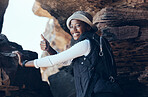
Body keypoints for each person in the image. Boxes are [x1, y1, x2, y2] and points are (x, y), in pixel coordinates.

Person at [13, 11, 122, 97]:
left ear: (88, 27)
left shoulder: (85, 44)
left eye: (78, 25)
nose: (73, 29)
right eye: (71, 26)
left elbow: (53, 61)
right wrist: (49, 49)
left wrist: (24, 63)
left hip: (98, 93)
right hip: (104, 91)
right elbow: (65, 61)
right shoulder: (94, 42)